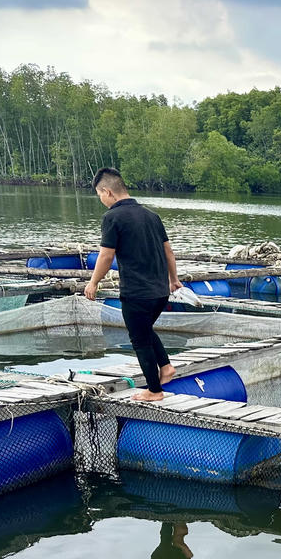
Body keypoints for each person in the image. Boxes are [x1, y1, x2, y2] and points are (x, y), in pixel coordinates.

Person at [84, 167, 182, 401]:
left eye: (99, 194)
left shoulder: (112, 218)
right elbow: (168, 250)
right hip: (159, 291)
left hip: (137, 292)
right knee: (145, 329)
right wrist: (173, 279)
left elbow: (106, 256)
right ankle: (166, 367)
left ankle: (154, 391)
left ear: (107, 192)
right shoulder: (151, 215)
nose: (101, 200)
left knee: (139, 339)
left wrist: (93, 282)